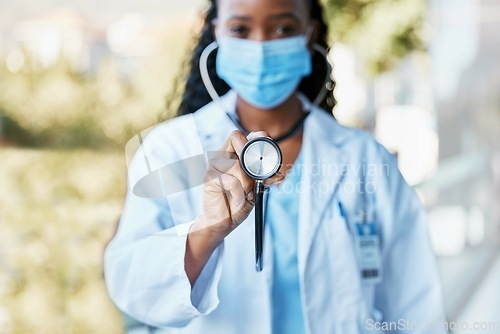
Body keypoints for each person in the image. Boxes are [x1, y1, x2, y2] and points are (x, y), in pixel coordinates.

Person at [104, 0, 447, 333]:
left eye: (284, 28)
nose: (262, 47)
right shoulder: (170, 149)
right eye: (240, 28)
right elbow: (132, 288)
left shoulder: (364, 160)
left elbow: (417, 307)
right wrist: (206, 232)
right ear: (216, 33)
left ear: (309, 34)